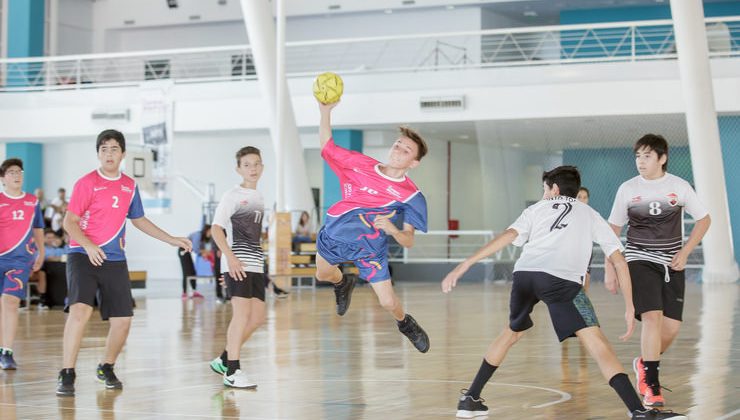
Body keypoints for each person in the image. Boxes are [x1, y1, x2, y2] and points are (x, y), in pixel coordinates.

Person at [441, 166, 686, 420]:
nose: (544, 194)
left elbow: (507, 236)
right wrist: (629, 305)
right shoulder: (589, 214)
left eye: (544, 189)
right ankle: (638, 411)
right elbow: (619, 261)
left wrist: (465, 264)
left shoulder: (535, 209)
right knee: (598, 343)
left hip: (524, 275)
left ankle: (470, 398)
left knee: (511, 333)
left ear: (554, 189)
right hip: (561, 282)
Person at [56, 129, 191, 397]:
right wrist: (89, 245)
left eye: (114, 148)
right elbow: (69, 221)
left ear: (123, 154)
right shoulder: (87, 183)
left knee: (123, 322)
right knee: (80, 311)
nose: (109, 153)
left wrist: (170, 239)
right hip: (82, 255)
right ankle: (67, 372)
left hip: (114, 259)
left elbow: (139, 220)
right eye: (104, 149)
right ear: (98, 153)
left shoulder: (129, 186)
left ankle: (106, 366)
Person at [314, 99, 430, 353]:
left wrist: (393, 229)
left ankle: (405, 323)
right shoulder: (359, 164)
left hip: (370, 248)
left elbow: (408, 240)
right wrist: (325, 112)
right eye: (398, 144)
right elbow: (327, 146)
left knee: (388, 302)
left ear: (414, 163)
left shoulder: (412, 197)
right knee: (322, 275)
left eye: (407, 150)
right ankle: (343, 283)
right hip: (335, 234)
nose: (399, 149)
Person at [605, 134, 710, 408]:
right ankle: (651, 385)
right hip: (639, 259)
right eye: (638, 156)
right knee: (652, 317)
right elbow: (612, 231)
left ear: (662, 158)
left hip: (672, 263)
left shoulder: (679, 186)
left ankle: (644, 363)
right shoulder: (627, 189)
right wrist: (610, 269)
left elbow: (704, 219)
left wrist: (685, 252)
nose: (641, 161)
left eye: (647, 156)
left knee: (671, 327)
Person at [208, 146, 267, 388]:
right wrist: (229, 259)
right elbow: (215, 229)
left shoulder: (259, 197)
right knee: (241, 315)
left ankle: (223, 359)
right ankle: (232, 370)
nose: (252, 169)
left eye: (256, 164)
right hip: (237, 263)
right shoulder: (232, 195)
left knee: (257, 318)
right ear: (238, 169)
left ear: (262, 167)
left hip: (255, 264)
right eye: (247, 165)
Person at [0, 158, 45, 369]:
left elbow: (38, 228)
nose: (16, 175)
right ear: (3, 178)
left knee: (10, 302)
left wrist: (41, 251)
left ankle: (6, 351)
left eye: (19, 171)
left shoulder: (32, 201)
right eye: (11, 172)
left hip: (20, 260)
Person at [576, 187, 592, 292]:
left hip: (586, 251)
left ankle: (583, 303)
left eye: (585, 197)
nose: (582, 200)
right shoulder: (569, 213)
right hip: (571, 251)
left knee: (586, 276)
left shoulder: (591, 215)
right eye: (579, 197)